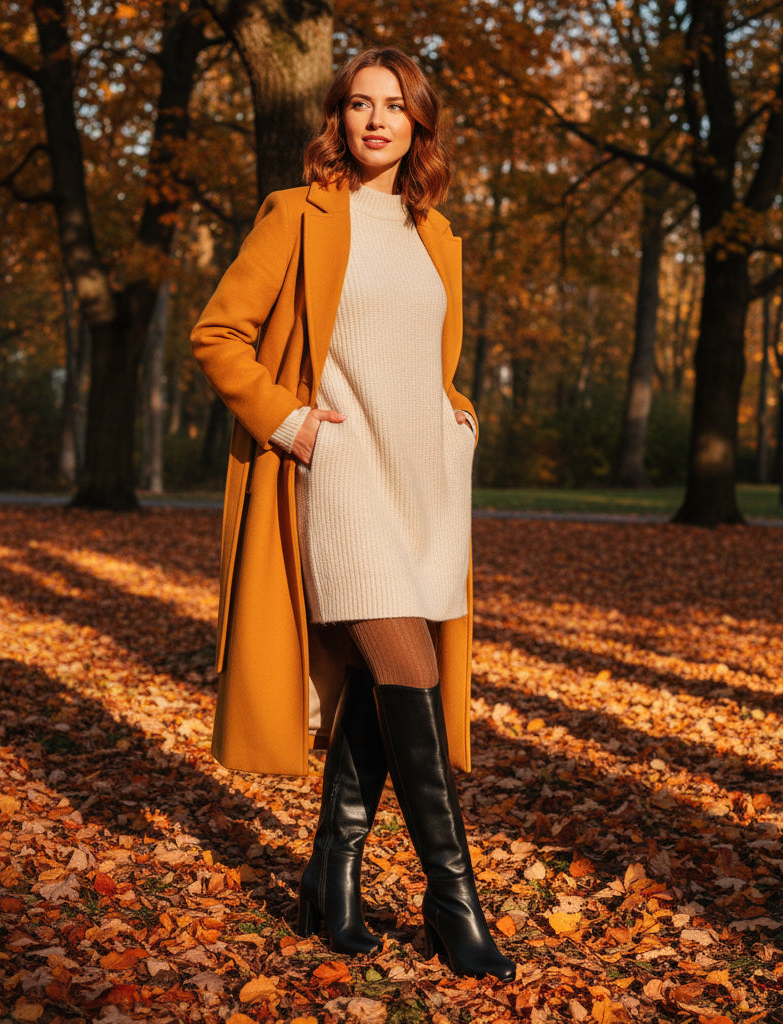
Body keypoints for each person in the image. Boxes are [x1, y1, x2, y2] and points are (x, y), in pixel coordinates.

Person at [191, 47, 515, 981]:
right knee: (405, 664)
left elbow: (422, 353)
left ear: (419, 126)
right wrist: (290, 423)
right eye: (360, 105)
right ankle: (454, 899)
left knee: (385, 687)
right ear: (337, 120)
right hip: (339, 476)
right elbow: (218, 334)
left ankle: (329, 875)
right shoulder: (296, 216)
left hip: (426, 481)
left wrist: (458, 412)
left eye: (396, 107)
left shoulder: (435, 233)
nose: (377, 120)